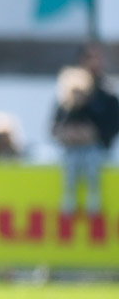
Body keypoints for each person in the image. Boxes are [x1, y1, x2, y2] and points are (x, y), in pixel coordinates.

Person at [51, 44, 119, 215]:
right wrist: (68, 134)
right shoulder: (68, 93)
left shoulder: (107, 95)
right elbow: (54, 127)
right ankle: (69, 199)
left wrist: (92, 135)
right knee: (70, 165)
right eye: (90, 58)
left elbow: (113, 127)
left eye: (98, 58)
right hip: (71, 151)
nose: (94, 63)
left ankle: (93, 199)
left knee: (92, 163)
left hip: (98, 152)